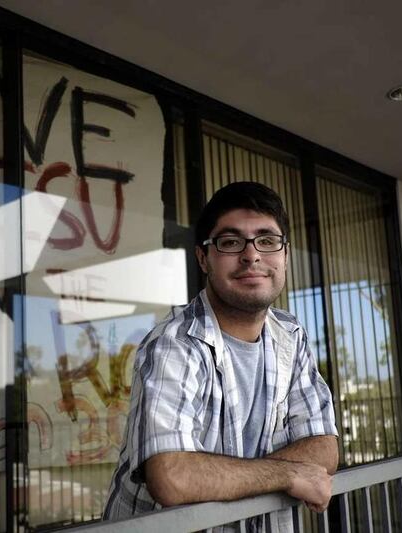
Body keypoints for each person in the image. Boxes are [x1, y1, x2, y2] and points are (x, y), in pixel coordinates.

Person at [103, 181, 338, 529]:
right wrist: (288, 473)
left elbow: (324, 448)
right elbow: (173, 477)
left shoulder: (291, 335)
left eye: (268, 240)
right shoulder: (173, 343)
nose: (252, 255)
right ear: (203, 258)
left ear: (285, 255)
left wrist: (226, 475)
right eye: (230, 242)